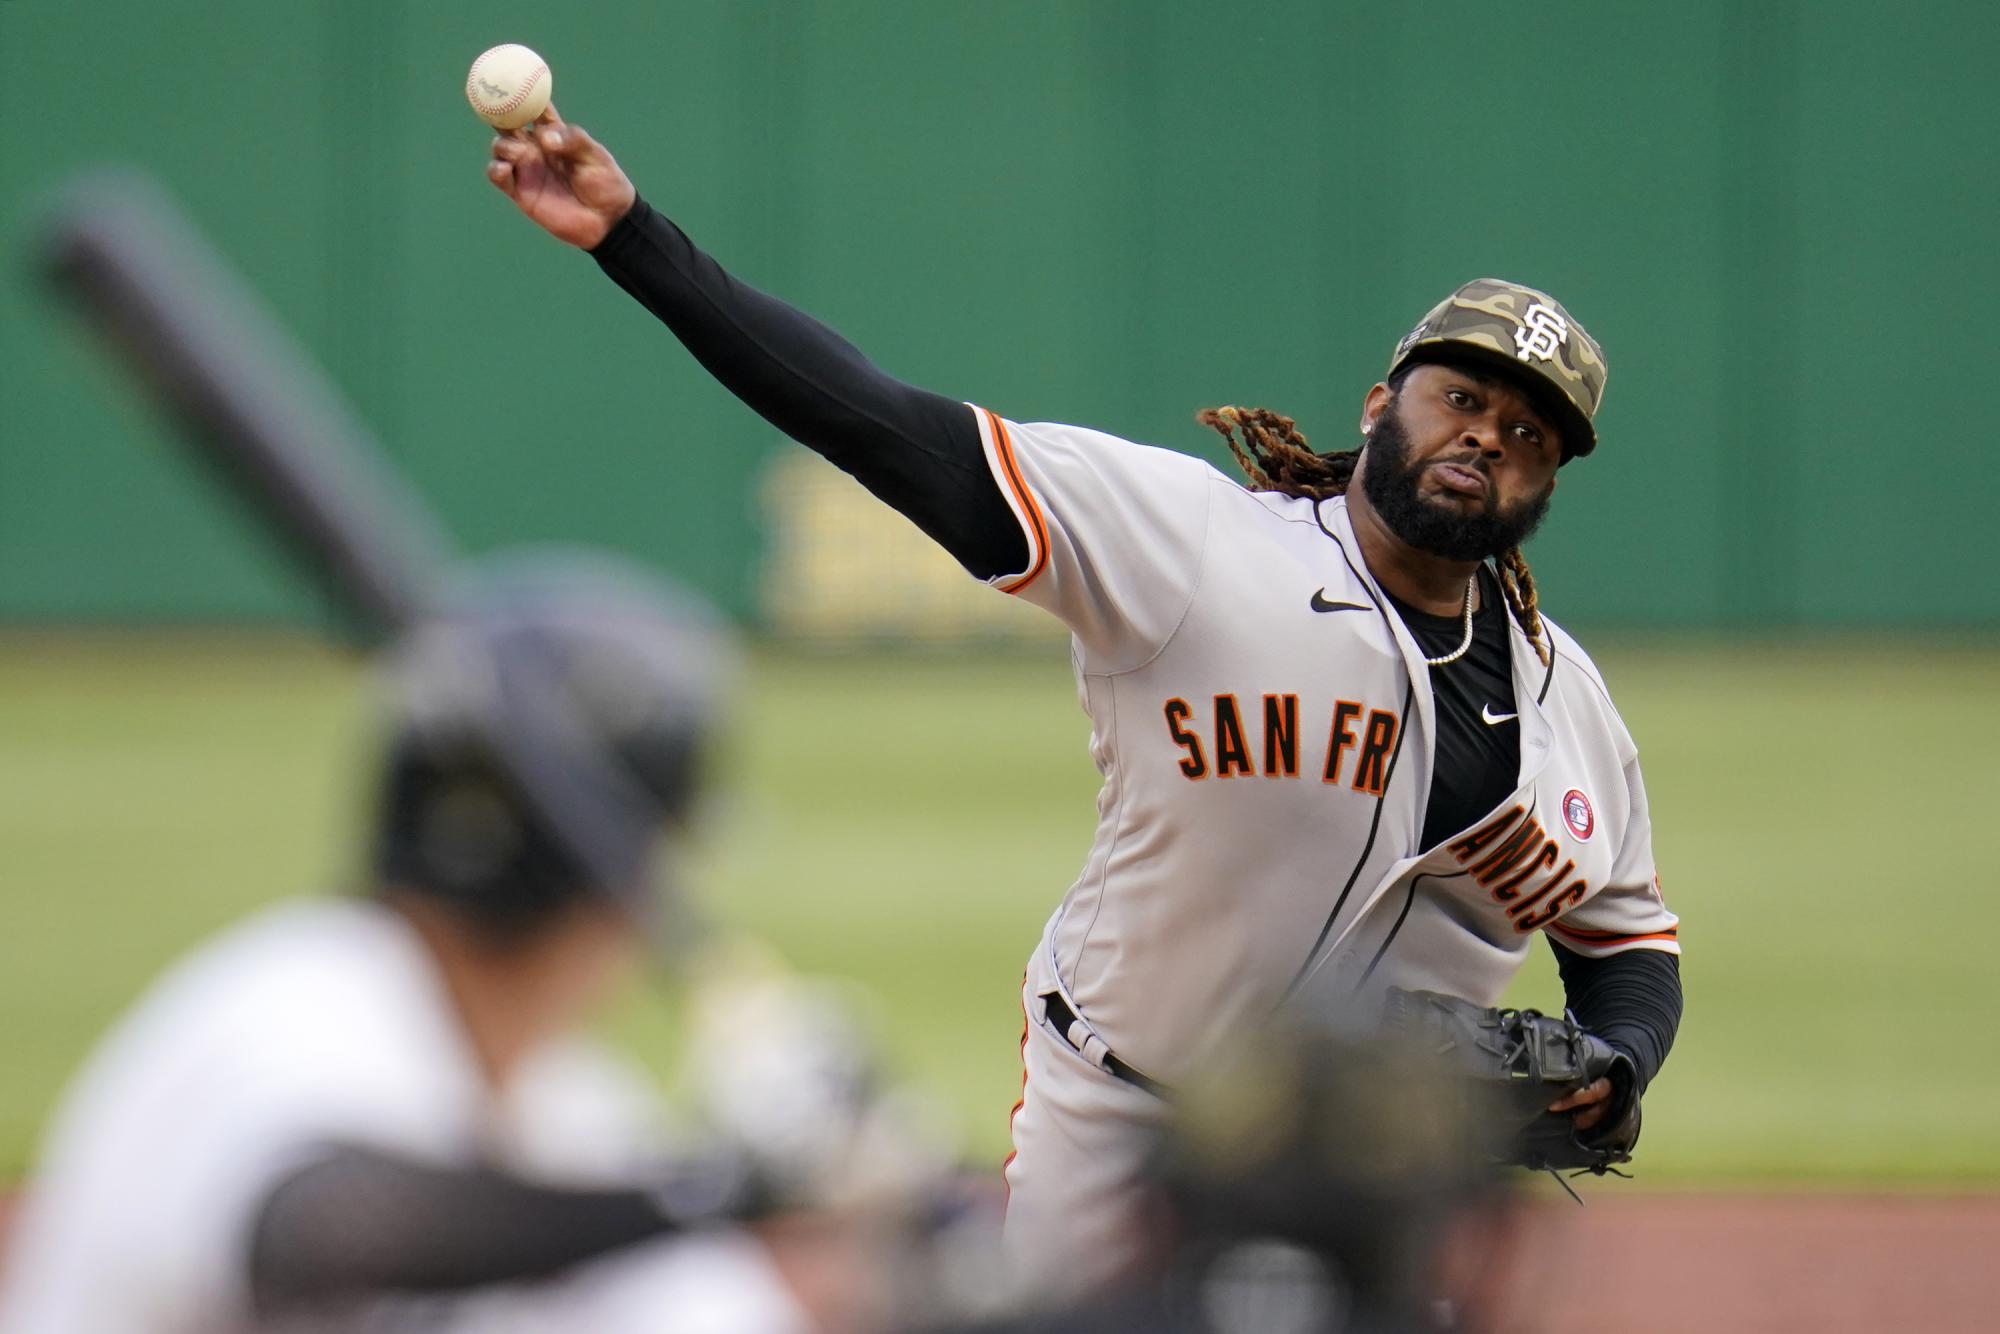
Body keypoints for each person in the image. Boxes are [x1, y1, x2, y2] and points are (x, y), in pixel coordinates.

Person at [482, 109, 1684, 1295]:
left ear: (1548, 478)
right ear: (1380, 406)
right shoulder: (1188, 539)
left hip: (1369, 1183)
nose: (1483, 435)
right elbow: (879, 422)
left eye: (1524, 430)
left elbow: (1627, 943)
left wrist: (1622, 1059)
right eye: (1458, 398)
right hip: (1118, 1122)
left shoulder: (1567, 706)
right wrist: (634, 239)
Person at [0, 555, 853, 1332]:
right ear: (609, 894)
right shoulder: (297, 1009)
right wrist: (711, 1191)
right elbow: (321, 1231)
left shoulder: (570, 1114)